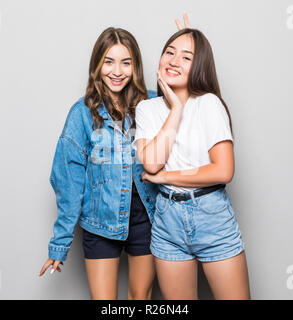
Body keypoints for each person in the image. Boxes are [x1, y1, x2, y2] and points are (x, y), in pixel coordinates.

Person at [38, 16, 192, 300]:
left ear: (136, 67)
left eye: (126, 62)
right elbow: (68, 181)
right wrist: (59, 244)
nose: (117, 71)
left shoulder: (154, 103)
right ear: (97, 66)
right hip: (99, 222)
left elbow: (191, 105)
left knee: (140, 297)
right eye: (109, 62)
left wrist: (186, 47)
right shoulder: (81, 114)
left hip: (147, 218)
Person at [134, 28, 251, 300]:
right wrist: (175, 110)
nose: (174, 61)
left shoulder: (208, 104)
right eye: (169, 53)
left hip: (211, 215)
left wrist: (167, 177)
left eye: (186, 57)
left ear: (198, 66)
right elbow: (152, 164)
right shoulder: (146, 109)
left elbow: (223, 170)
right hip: (167, 220)